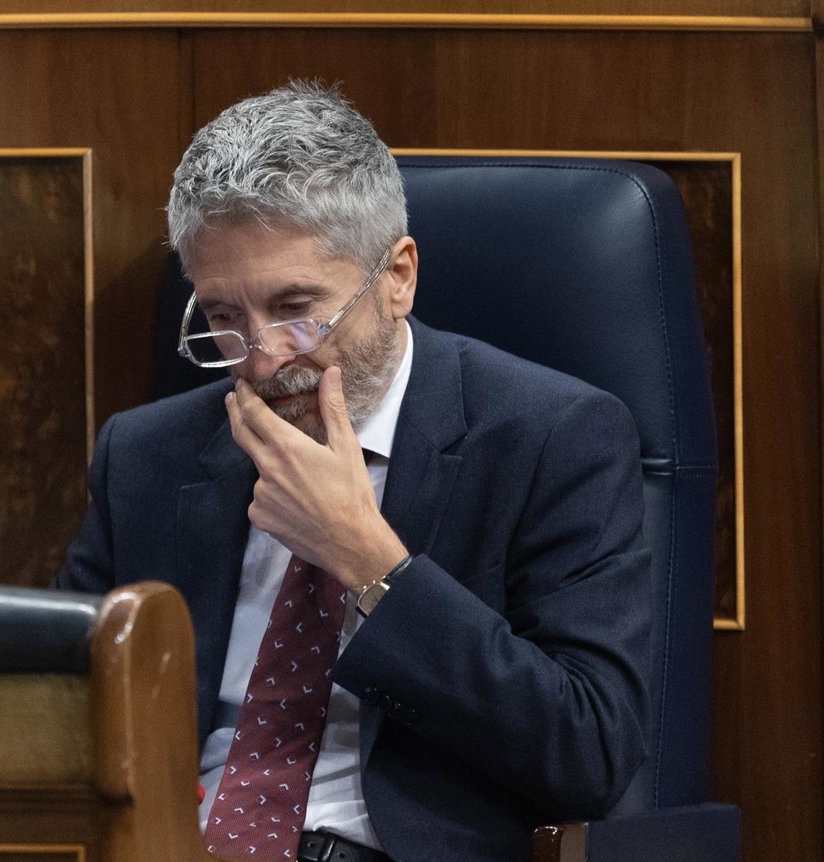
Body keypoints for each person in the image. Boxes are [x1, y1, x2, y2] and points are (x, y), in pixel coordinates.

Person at [56, 81, 651, 862]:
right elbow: (57, 705)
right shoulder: (147, 454)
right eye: (225, 318)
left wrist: (371, 564)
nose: (263, 359)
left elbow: (591, 752)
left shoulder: (553, 440)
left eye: (295, 308)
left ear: (397, 277)